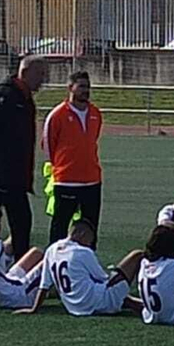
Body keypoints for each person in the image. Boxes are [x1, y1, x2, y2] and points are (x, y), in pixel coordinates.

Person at [0, 55, 48, 254]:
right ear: (26, 72)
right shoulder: (6, 95)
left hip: (14, 175)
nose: (43, 79)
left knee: (20, 224)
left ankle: (15, 270)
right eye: (40, 74)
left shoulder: (23, 97)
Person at [18, 220, 143, 318]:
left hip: (74, 307)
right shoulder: (82, 252)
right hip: (97, 302)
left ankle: (139, 304)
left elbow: (44, 286)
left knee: (117, 295)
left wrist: (34, 309)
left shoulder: (51, 250)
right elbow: (104, 279)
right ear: (82, 234)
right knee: (137, 255)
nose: (90, 244)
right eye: (90, 240)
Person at [43, 71, 104, 244]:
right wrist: (62, 167)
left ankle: (87, 261)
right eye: (82, 86)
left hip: (92, 180)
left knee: (90, 227)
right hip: (66, 181)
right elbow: (48, 146)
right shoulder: (58, 115)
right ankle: (54, 260)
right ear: (70, 88)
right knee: (60, 225)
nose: (86, 91)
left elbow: (93, 140)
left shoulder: (95, 113)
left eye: (88, 87)